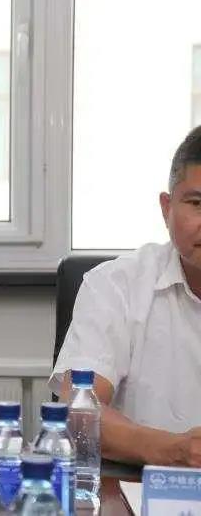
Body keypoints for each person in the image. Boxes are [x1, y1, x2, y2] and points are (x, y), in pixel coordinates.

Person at [51, 126, 201, 467]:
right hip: (133, 484)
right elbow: (78, 411)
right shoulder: (115, 286)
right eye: (197, 203)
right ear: (166, 208)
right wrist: (174, 450)